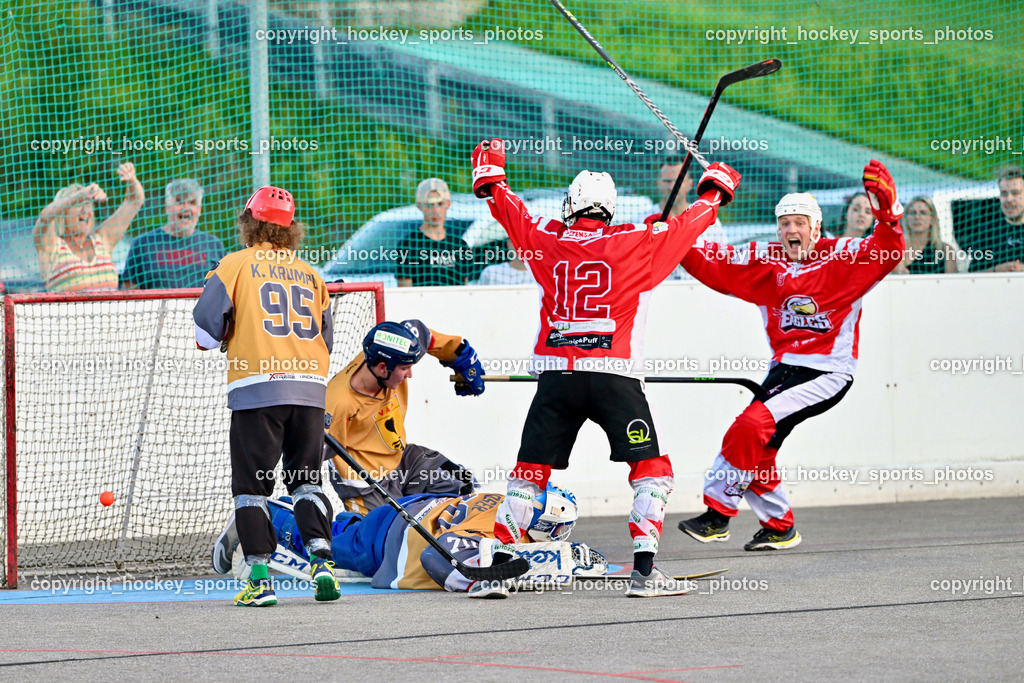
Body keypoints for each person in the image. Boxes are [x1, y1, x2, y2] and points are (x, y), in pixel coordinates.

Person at [471, 137, 741, 598]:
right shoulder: (637, 240)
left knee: (529, 473)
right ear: (610, 210)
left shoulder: (547, 237)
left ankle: (498, 570)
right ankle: (644, 572)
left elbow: (508, 208)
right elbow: (688, 226)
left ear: (571, 205)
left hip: (556, 376)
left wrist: (492, 174)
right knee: (652, 471)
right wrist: (715, 190)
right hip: (615, 376)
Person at [675, 160, 905, 552]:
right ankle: (780, 527)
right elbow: (713, 262)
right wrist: (671, 237)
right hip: (784, 368)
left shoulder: (843, 255)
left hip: (828, 372)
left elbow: (887, 250)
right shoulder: (766, 259)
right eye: (784, 224)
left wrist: (887, 214)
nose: (791, 231)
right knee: (758, 448)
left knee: (750, 428)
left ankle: (717, 516)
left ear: (816, 228)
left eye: (800, 223)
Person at [193, 186, 340, 607]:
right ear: (291, 230)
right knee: (307, 481)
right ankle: (323, 564)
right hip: (310, 390)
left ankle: (260, 578)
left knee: (252, 487)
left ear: (249, 223)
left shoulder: (234, 265)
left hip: (258, 388)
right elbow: (326, 340)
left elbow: (205, 335)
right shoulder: (310, 273)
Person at [212, 484, 602, 595]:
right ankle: (266, 516)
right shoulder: (498, 532)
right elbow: (437, 559)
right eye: (556, 530)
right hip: (389, 540)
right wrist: (477, 581)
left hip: (408, 511)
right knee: (334, 547)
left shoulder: (501, 501)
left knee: (347, 528)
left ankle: (339, 520)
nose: (557, 537)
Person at [325, 319, 485, 514]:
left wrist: (460, 358)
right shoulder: (338, 402)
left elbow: (420, 332)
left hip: (402, 459)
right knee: (381, 531)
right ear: (382, 367)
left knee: (461, 484)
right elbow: (308, 453)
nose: (410, 374)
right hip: (366, 484)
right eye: (404, 368)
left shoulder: (390, 355)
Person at [33, 162, 144, 292]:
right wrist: (80, 195)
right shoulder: (52, 246)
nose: (85, 211)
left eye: (88, 205)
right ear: (63, 212)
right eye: (79, 205)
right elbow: (45, 217)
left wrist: (132, 180)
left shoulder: (102, 239)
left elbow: (134, 202)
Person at [121, 178, 226, 289]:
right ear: (167, 207)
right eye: (179, 201)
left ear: (199, 209)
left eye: (192, 202)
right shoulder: (143, 244)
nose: (186, 208)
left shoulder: (214, 245)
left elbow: (226, 288)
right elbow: (129, 290)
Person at [396, 178, 474, 286]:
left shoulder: (460, 246)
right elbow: (405, 291)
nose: (435, 211)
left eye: (440, 204)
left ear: (448, 204)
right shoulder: (409, 245)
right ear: (420, 206)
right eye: (429, 205)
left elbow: (465, 289)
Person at [969, 166, 1024, 272]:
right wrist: (997, 270)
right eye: (1004, 194)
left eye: (1015, 193)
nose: (1009, 199)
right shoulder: (987, 232)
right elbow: (972, 275)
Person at [894, 196, 957, 274]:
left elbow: (951, 280)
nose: (917, 217)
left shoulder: (946, 249)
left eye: (923, 212)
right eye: (913, 213)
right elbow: (898, 276)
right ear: (906, 218)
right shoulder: (899, 250)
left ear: (932, 218)